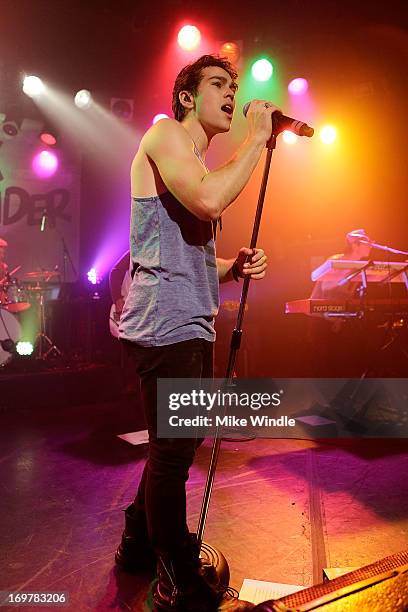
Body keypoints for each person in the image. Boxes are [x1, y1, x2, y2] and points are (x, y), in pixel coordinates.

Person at [117, 54, 277, 611]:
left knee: (168, 447)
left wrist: (230, 266)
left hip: (183, 320)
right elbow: (210, 198)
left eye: (235, 86)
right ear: (186, 97)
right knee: (173, 456)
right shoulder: (165, 135)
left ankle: (137, 546)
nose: (231, 94)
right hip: (167, 325)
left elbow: (182, 250)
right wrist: (257, 140)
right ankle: (178, 581)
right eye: (218, 84)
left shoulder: (192, 158)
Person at [309, 229, 373, 376]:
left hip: (337, 317)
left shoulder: (359, 266)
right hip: (320, 317)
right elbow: (326, 288)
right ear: (355, 246)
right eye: (367, 243)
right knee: (324, 366)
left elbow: (347, 295)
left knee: (343, 362)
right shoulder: (337, 261)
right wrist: (348, 277)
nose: (370, 246)